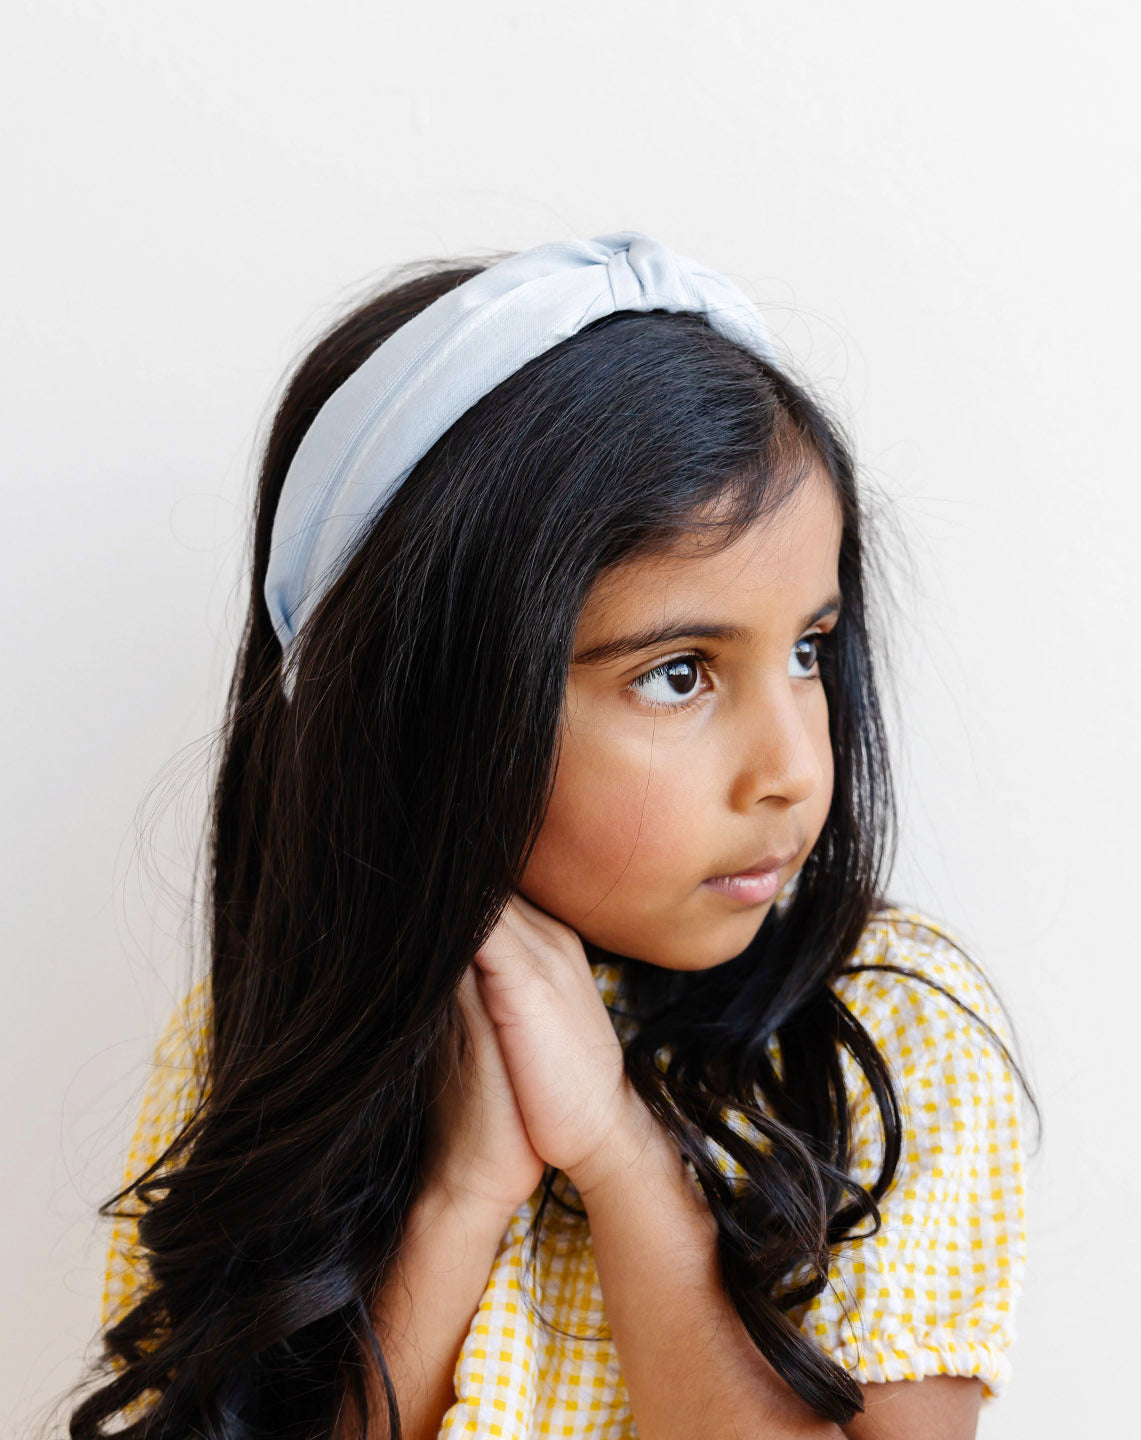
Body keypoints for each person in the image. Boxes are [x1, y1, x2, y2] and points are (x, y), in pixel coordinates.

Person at [68, 232, 1030, 1440]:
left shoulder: (893, 1033)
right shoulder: (245, 1039)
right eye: (679, 675)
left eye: (808, 650)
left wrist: (623, 1159)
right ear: (433, 711)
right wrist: (465, 1188)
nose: (793, 768)